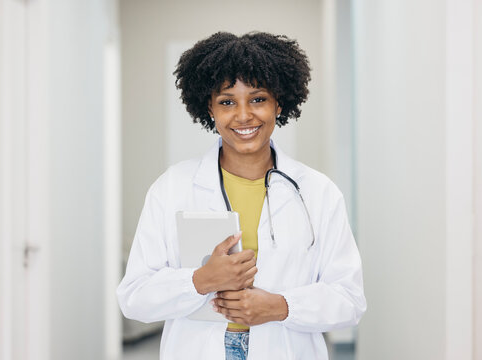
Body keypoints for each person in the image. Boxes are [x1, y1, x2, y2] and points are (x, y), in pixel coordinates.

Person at [117, 31, 366, 360]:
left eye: (258, 99)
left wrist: (281, 307)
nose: (244, 115)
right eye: (227, 102)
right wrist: (199, 280)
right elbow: (134, 297)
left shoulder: (318, 191)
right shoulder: (172, 188)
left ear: (279, 102)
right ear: (210, 107)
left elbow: (349, 300)